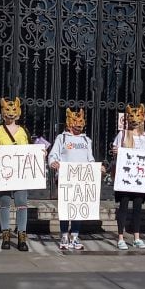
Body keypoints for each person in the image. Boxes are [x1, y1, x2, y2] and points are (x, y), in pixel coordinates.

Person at [48, 107, 94, 251]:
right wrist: (53, 163)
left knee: (78, 208)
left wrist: (97, 168)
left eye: (81, 120)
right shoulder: (62, 138)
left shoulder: (87, 140)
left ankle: (75, 235)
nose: (79, 124)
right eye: (76, 120)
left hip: (81, 179)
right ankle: (63, 235)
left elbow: (90, 159)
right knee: (65, 207)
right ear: (69, 122)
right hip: (65, 178)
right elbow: (53, 155)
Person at [0, 96, 31, 252]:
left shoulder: (23, 130)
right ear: (2, 112)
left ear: (18, 112)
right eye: (7, 110)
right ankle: (5, 236)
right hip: (4, 174)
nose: (11, 113)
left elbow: (30, 149)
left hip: (20, 174)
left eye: (14, 110)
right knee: (4, 204)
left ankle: (22, 236)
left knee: (22, 205)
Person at [112, 104, 145, 250]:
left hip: (139, 178)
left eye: (138, 117)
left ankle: (137, 237)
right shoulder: (122, 135)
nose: (135, 120)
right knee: (123, 206)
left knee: (137, 208)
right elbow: (115, 151)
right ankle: (120, 237)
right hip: (125, 177)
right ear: (127, 118)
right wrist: (115, 150)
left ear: (143, 118)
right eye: (131, 117)